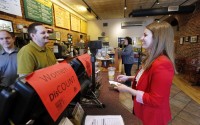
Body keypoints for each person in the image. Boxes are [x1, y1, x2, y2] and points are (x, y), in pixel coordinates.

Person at [115, 21, 176, 125]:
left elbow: (155, 100)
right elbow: (145, 77)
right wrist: (128, 78)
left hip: (153, 116)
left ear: (158, 38)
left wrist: (128, 89)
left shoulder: (163, 63)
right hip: (142, 108)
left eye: (145, 35)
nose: (141, 38)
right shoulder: (152, 58)